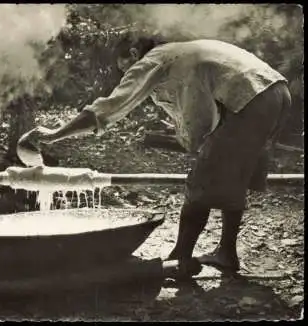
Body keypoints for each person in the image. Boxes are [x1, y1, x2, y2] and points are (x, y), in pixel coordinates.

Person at [17, 36, 291, 274]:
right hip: (274, 90)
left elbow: (105, 110)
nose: (125, 72)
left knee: (200, 182)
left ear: (134, 55)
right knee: (235, 176)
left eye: (123, 65)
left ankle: (180, 258)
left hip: (250, 98)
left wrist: (53, 134)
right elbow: (202, 115)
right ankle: (226, 254)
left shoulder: (154, 60)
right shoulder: (180, 53)